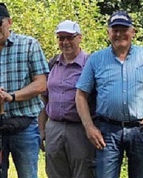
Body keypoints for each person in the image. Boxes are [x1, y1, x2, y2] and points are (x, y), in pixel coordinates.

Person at [75, 11, 143, 178]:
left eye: (124, 29)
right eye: (115, 29)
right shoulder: (96, 59)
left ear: (133, 32)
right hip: (107, 131)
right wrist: (89, 127)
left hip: (142, 130)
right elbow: (81, 94)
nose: (119, 34)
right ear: (108, 33)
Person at [0, 2, 49, 178]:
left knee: (27, 175)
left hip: (24, 126)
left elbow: (41, 84)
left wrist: (12, 97)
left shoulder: (29, 45)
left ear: (9, 22)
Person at [38, 20, 95, 178]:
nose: (65, 42)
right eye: (61, 38)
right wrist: (42, 129)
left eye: (70, 37)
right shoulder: (51, 64)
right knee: (55, 173)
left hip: (80, 129)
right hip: (54, 127)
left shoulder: (90, 64)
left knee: (83, 172)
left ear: (79, 38)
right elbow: (44, 99)